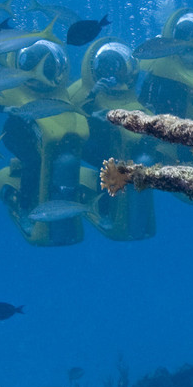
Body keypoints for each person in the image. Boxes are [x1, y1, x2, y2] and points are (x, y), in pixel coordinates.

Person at [0, 38, 90, 246]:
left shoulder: (59, 92)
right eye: (31, 70)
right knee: (34, 162)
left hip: (44, 134)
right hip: (16, 133)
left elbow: (78, 98)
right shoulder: (12, 87)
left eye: (46, 70)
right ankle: (25, 209)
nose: (37, 79)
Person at [69, 40, 156, 241]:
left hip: (117, 144)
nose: (113, 77)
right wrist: (93, 95)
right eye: (107, 71)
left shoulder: (128, 92)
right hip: (89, 144)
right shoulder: (83, 91)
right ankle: (106, 211)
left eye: (117, 71)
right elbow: (74, 116)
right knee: (112, 168)